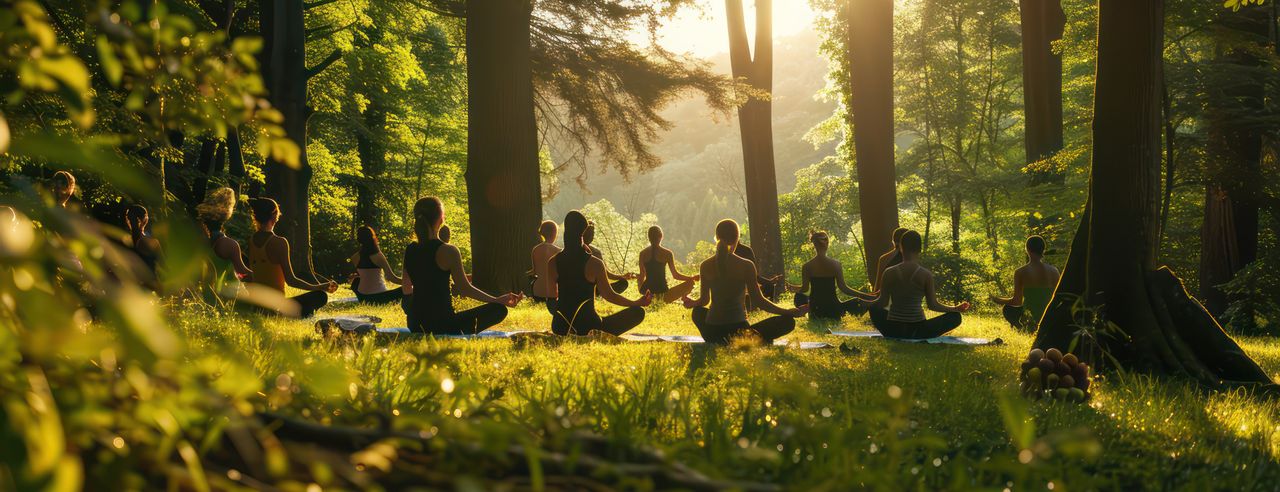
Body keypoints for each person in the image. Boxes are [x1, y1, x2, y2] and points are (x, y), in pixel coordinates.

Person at [403, 197, 522, 334]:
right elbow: (465, 289)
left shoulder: (410, 249)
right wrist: (497, 300)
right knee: (499, 309)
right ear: (441, 219)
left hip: (414, 324)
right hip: (442, 325)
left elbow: (406, 289)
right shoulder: (448, 251)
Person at [681, 220, 806, 345]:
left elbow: (704, 301)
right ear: (737, 238)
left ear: (716, 237)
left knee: (697, 312)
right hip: (739, 333)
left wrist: (693, 302)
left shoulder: (705, 265)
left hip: (712, 332)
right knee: (788, 322)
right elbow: (759, 301)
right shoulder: (746, 265)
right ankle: (750, 341)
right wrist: (788, 312)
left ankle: (722, 341)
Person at [546, 211, 651, 336]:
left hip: (560, 327)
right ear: (583, 233)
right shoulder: (594, 263)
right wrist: (635, 303)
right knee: (638, 312)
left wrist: (565, 319)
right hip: (589, 327)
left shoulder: (552, 262)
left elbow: (551, 302)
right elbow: (609, 295)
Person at [862, 230, 970, 339]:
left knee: (874, 309)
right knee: (955, 317)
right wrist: (955, 308)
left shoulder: (889, 272)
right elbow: (933, 305)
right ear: (920, 249)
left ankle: (896, 334)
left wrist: (865, 303)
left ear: (900, 248)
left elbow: (882, 302)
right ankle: (914, 335)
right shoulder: (925, 275)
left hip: (893, 329)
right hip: (918, 330)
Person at [246, 197, 337, 318]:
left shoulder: (251, 241)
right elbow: (291, 280)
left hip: (257, 306)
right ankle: (291, 316)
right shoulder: (279, 242)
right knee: (320, 296)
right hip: (276, 307)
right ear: (275, 215)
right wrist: (319, 286)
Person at [791, 230, 872, 320]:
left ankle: (806, 309)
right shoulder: (835, 264)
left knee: (799, 295)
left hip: (815, 311)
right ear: (827, 244)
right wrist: (867, 296)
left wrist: (793, 288)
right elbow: (844, 288)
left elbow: (804, 288)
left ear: (814, 245)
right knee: (859, 302)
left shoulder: (807, 266)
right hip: (833, 309)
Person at [991, 235, 1060, 331]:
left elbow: (1017, 301)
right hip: (1049, 317)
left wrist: (998, 300)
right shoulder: (1054, 271)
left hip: (1031, 318)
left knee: (1007, 308)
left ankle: (1022, 328)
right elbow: (1058, 297)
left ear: (1027, 249)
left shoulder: (1020, 272)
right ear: (1043, 249)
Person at [197, 187, 251, 300]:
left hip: (195, 295)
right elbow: (243, 272)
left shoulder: (196, 238)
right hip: (215, 300)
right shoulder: (229, 244)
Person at [637, 225, 698, 302]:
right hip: (663, 294)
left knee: (642, 284)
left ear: (648, 237)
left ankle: (650, 298)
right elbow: (675, 275)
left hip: (646, 292)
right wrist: (691, 278)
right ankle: (684, 298)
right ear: (661, 236)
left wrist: (641, 290)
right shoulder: (667, 253)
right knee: (690, 283)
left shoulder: (642, 253)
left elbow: (642, 276)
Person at [348, 225, 403, 304]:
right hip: (379, 298)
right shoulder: (378, 256)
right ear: (372, 237)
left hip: (362, 297)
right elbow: (392, 278)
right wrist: (410, 282)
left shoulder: (354, 257)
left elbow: (366, 275)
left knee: (357, 279)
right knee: (405, 289)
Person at [583, 221, 635, 295]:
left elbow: (607, 274)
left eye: (592, 234)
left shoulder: (596, 252)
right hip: (581, 289)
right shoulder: (573, 251)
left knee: (623, 283)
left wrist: (622, 276)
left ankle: (600, 293)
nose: (591, 236)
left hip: (596, 289)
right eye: (588, 233)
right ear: (582, 234)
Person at [124, 204, 162, 284]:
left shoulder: (124, 240)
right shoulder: (152, 242)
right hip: (150, 282)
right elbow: (162, 264)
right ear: (145, 219)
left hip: (130, 284)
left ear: (128, 219)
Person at [530, 220, 562, 302]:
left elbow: (535, 271)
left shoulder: (535, 249)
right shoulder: (558, 251)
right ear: (554, 233)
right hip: (553, 292)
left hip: (537, 291)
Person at [872, 227, 910, 293]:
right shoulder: (912, 260)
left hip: (888, 300)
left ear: (893, 241)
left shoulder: (884, 259)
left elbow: (877, 288)